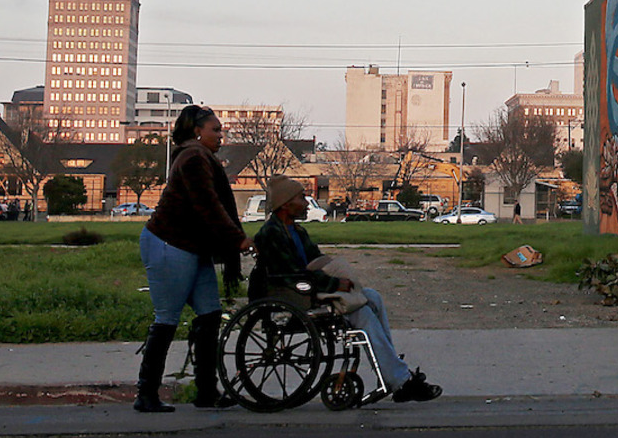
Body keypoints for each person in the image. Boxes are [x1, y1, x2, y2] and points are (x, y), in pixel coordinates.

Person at [251, 175, 441, 403]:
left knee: (373, 298)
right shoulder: (271, 233)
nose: (306, 202)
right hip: (293, 294)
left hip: (307, 288)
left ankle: (392, 369)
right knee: (361, 312)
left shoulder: (298, 232)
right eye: (301, 198)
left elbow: (316, 262)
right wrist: (335, 283)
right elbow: (292, 275)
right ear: (285, 204)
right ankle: (400, 379)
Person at [136, 105, 252, 413]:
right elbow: (208, 205)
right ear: (196, 132)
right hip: (169, 243)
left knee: (210, 314)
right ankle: (146, 393)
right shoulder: (193, 158)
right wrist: (236, 238)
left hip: (191, 247)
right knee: (167, 318)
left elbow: (210, 208)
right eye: (215, 130)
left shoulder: (199, 157)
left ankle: (206, 392)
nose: (220, 136)